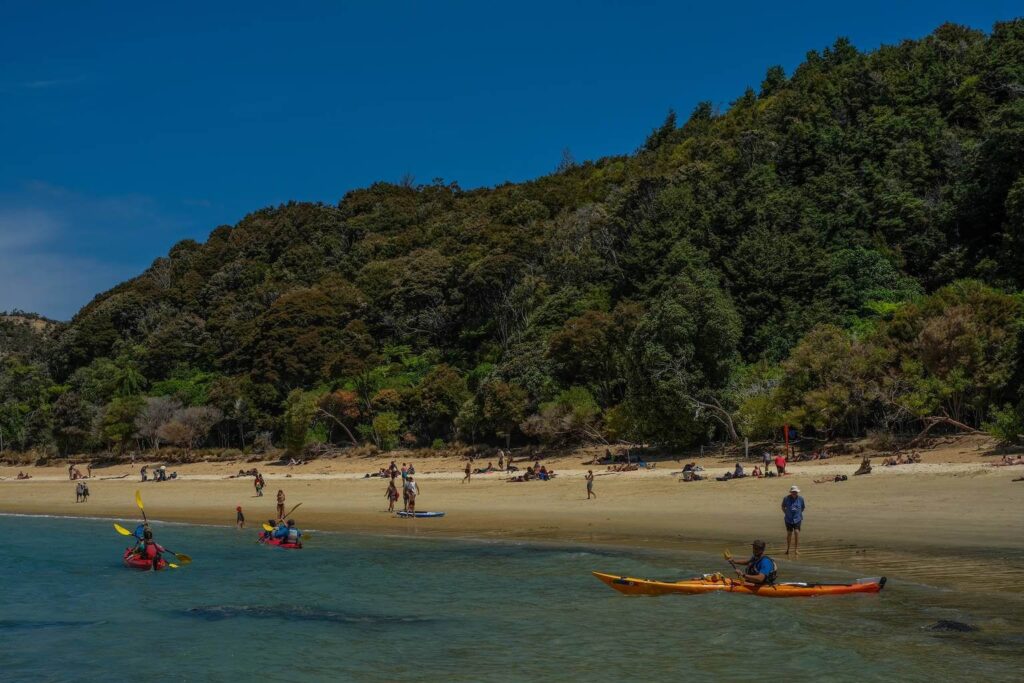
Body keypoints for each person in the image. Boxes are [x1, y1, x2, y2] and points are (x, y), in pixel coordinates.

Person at [781, 486, 805, 555]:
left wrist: (799, 514)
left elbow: (803, 507)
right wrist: (786, 513)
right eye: (793, 492)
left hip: (797, 519)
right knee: (789, 533)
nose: (794, 493)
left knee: (797, 532)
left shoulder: (801, 499)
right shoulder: (786, 498)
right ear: (791, 492)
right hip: (788, 519)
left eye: (796, 492)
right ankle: (788, 549)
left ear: (797, 492)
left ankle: (796, 550)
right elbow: (783, 507)